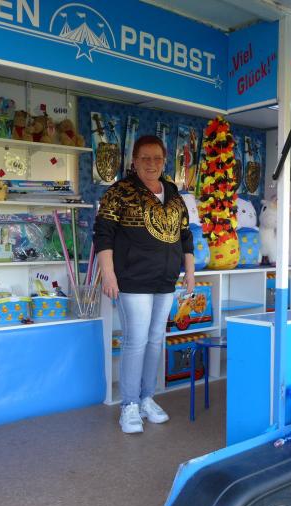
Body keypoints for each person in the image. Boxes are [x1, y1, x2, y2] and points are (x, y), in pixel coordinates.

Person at [93, 135, 196, 434]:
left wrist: (189, 273)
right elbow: (103, 234)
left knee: (155, 340)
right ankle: (129, 405)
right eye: (145, 158)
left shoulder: (174, 195)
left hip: (166, 280)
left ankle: (147, 398)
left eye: (157, 158)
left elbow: (186, 236)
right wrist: (108, 274)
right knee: (136, 341)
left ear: (164, 161)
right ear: (134, 161)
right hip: (133, 280)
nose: (152, 164)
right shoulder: (119, 192)